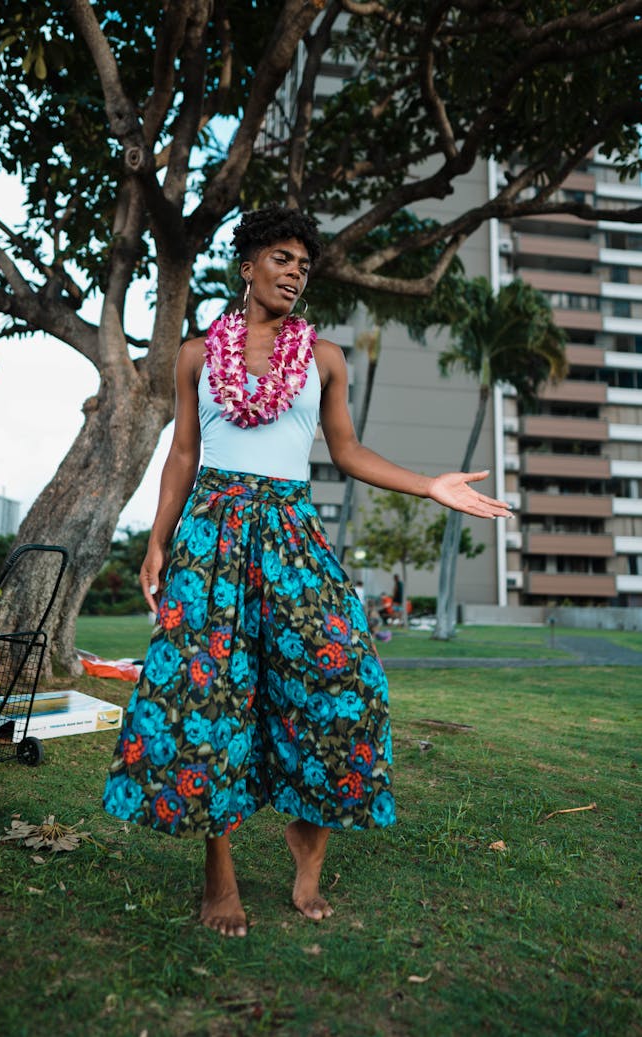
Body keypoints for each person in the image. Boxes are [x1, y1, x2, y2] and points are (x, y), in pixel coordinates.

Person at [103, 205, 511, 938]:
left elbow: (347, 452)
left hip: (291, 533)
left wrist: (430, 485)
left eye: (304, 263)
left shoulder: (323, 358)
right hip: (212, 533)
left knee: (348, 684)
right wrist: (158, 539)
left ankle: (307, 845)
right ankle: (218, 873)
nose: (296, 272)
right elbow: (185, 454)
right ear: (248, 264)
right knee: (206, 700)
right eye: (283, 258)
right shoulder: (197, 354)